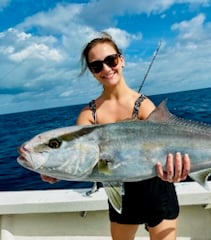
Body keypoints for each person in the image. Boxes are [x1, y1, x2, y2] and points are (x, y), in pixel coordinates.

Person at [41, 32, 190, 240]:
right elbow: (78, 155)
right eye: (96, 66)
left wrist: (176, 169)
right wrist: (57, 169)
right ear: (92, 72)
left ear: (121, 60)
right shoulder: (88, 115)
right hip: (120, 194)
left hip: (158, 188)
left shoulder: (144, 105)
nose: (106, 69)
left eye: (110, 60)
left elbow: (165, 146)